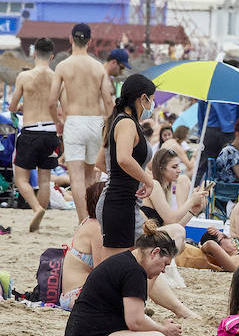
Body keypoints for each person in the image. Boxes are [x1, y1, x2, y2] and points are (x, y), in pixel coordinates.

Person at [61, 220, 207, 336]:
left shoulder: (124, 261)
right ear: (155, 253)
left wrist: (162, 329)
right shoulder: (134, 271)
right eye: (164, 264)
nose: (163, 270)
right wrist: (163, 329)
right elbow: (135, 322)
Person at [50, 24, 115, 222]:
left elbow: (52, 101)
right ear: (90, 41)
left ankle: (83, 220)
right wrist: (109, 126)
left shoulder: (63, 66)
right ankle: (93, 218)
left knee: (76, 176)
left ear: (71, 39)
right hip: (95, 121)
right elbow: (109, 101)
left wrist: (58, 123)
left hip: (75, 121)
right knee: (89, 175)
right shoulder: (98, 67)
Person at [98, 74, 158, 260]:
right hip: (118, 203)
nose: (152, 105)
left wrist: (127, 176)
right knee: (117, 265)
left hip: (124, 202)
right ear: (143, 98)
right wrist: (146, 179)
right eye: (152, 99)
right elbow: (123, 158)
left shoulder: (122, 121)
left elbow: (102, 161)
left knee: (137, 261)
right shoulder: (126, 122)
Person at [9, 37, 62, 233]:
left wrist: (23, 106)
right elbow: (59, 105)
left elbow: (12, 107)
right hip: (50, 131)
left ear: (33, 53)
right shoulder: (57, 77)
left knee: (21, 178)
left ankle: (36, 208)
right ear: (52, 56)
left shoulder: (24, 77)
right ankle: (39, 217)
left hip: (31, 131)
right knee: (45, 179)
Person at [143, 148, 208, 227]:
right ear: (161, 169)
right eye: (174, 167)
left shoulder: (166, 190)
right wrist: (191, 201)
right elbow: (171, 220)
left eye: (178, 166)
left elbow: (174, 226)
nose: (179, 170)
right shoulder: (154, 185)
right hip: (145, 237)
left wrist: (192, 211)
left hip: (156, 235)